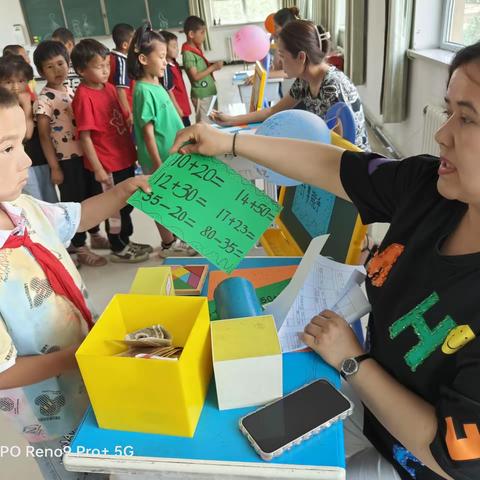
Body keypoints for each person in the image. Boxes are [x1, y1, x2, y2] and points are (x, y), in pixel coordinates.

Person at [171, 41, 480, 480]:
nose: (442, 133)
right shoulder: (431, 188)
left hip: (415, 462)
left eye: (466, 118)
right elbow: (335, 166)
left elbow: (454, 458)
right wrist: (233, 142)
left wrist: (354, 361)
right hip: (364, 401)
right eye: (448, 111)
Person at [0, 85, 150, 478]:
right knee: (72, 469)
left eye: (21, 143)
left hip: (87, 370)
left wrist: (122, 191)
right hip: (45, 408)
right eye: (7, 148)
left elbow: (75, 218)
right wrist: (78, 357)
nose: (25, 160)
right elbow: (2, 372)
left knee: (104, 455)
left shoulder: (20, 207)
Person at [211, 20, 370, 151]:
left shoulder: (334, 88)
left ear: (301, 57)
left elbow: (339, 150)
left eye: (281, 55)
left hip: (352, 171)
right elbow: (273, 111)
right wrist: (231, 120)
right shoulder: (305, 79)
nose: (278, 62)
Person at [71, 38, 151, 263]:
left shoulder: (108, 88)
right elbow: (85, 137)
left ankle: (125, 240)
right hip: (107, 164)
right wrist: (97, 168)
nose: (106, 70)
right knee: (116, 208)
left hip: (123, 157)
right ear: (81, 70)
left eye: (107, 65)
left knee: (128, 204)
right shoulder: (84, 96)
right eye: (99, 66)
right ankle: (118, 245)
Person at [33, 40, 109, 267]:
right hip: (66, 161)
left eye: (60, 64)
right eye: (50, 66)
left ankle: (94, 234)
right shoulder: (44, 99)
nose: (57, 70)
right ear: (40, 71)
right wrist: (54, 167)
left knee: (91, 195)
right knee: (74, 202)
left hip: (85, 156)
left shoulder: (73, 90)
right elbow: (44, 136)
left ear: (69, 64)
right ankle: (79, 245)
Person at [127, 23, 196, 257]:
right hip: (159, 160)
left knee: (175, 199)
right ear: (144, 60)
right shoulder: (143, 90)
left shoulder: (157, 85)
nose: (165, 61)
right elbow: (147, 134)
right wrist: (158, 165)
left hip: (171, 155)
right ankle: (169, 245)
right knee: (161, 201)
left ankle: (176, 239)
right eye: (162, 56)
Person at [0, 55, 58, 203]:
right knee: (33, 201)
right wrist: (26, 107)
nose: (15, 87)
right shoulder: (7, 107)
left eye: (20, 81)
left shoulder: (32, 100)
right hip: (21, 163)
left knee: (50, 200)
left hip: (39, 159)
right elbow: (27, 134)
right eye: (8, 82)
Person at [182, 15, 223, 123]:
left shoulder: (195, 48)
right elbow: (195, 76)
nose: (204, 36)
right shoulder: (188, 53)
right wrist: (213, 67)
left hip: (208, 92)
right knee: (205, 125)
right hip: (202, 95)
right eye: (202, 32)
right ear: (191, 34)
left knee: (213, 121)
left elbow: (202, 68)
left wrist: (212, 66)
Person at [160, 30, 192, 127]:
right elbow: (168, 91)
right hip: (177, 110)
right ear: (164, 49)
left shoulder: (174, 63)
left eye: (177, 46)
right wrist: (178, 109)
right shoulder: (166, 68)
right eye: (173, 47)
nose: (177, 49)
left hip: (183, 108)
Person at [108, 23, 135, 129]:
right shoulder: (122, 61)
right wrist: (128, 114)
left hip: (115, 108)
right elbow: (121, 90)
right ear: (125, 45)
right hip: (124, 109)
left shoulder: (110, 57)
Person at [52, 27, 81, 91]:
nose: (55, 49)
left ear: (69, 45)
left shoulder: (82, 61)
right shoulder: (57, 65)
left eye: (58, 46)